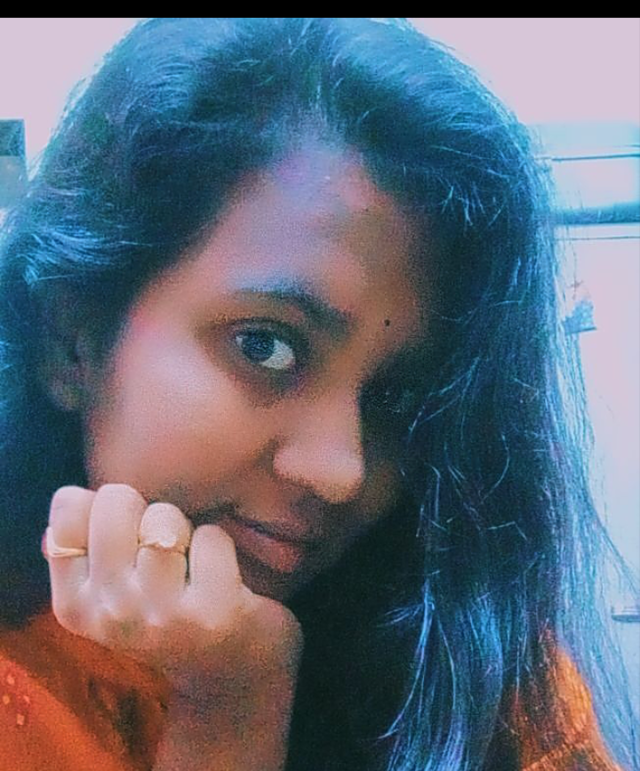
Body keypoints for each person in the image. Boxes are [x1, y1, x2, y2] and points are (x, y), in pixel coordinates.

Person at [0, 17, 636, 771]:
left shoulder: (467, 665)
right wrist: (231, 709)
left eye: (398, 396)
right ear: (71, 339)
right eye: (266, 345)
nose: (342, 472)